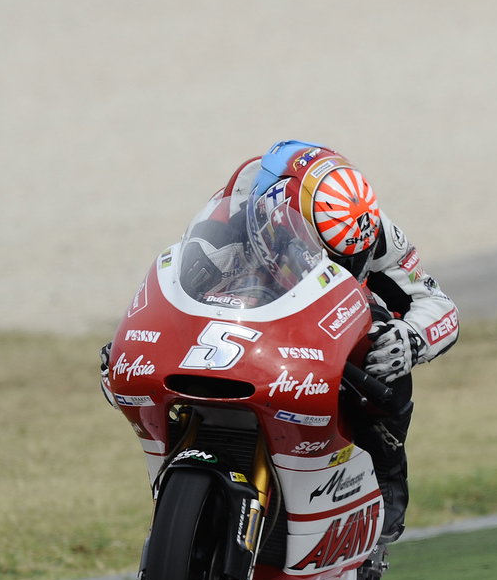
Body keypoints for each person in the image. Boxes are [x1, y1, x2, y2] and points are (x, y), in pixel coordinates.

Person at [106, 139, 459, 543]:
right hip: (244, 327)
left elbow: (436, 302)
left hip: (317, 332)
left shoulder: (367, 227)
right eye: (330, 256)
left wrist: (412, 339)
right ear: (277, 223)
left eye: (350, 258)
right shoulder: (229, 226)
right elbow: (172, 293)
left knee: (382, 338)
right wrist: (127, 349)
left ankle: (387, 479)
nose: (347, 267)